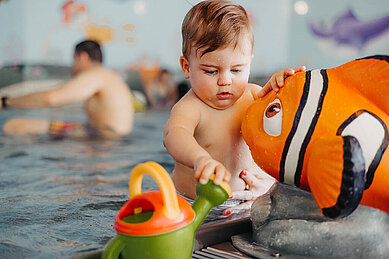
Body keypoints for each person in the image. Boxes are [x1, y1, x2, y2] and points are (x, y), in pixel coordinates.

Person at [163, 0, 305, 215]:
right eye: (211, 71)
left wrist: (285, 87)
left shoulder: (253, 95)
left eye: (237, 70)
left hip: (248, 200)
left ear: (249, 63)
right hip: (192, 205)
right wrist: (200, 158)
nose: (225, 81)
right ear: (186, 67)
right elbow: (174, 135)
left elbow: (292, 124)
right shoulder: (190, 108)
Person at [0, 40, 134, 139]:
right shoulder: (109, 76)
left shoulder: (95, 75)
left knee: (14, 125)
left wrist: (6, 102)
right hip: (111, 138)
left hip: (105, 138)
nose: (72, 67)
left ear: (83, 57)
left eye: (74, 60)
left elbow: (51, 98)